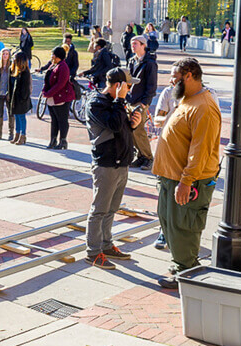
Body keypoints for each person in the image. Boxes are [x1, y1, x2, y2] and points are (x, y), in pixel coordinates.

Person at [152, 58, 221, 289]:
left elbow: (200, 150)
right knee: (169, 223)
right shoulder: (188, 100)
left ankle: (187, 271)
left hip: (189, 182)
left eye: (175, 77)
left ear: (189, 75)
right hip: (170, 177)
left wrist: (186, 181)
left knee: (184, 227)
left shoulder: (204, 106)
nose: (172, 82)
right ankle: (180, 263)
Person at [84, 68, 143, 270]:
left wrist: (133, 125)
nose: (131, 88)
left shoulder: (117, 104)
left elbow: (121, 128)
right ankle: (93, 252)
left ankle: (106, 245)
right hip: (106, 164)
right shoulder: (96, 104)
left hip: (121, 163)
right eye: (128, 85)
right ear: (118, 86)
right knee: (99, 210)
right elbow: (114, 125)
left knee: (111, 209)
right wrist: (119, 102)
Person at [126, 36, 158, 170]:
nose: (133, 46)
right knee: (130, 130)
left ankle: (149, 158)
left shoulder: (150, 63)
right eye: (132, 44)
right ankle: (141, 156)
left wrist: (145, 103)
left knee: (138, 131)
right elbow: (127, 81)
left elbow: (151, 86)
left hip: (141, 102)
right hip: (130, 100)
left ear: (143, 45)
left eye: (135, 44)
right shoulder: (132, 60)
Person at [41, 46, 75, 150]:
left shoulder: (63, 67)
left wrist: (48, 93)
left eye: (52, 54)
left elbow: (61, 84)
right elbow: (48, 79)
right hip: (52, 98)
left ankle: (63, 141)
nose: (51, 56)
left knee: (62, 120)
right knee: (54, 120)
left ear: (57, 56)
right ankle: (53, 140)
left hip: (61, 98)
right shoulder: (53, 65)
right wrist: (45, 91)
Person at [7, 52, 32, 145]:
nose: (13, 59)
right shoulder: (12, 70)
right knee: (16, 116)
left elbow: (25, 88)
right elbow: (9, 85)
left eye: (15, 58)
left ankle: (23, 135)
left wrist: (23, 99)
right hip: (13, 98)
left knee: (21, 116)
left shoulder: (25, 72)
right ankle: (17, 134)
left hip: (21, 99)